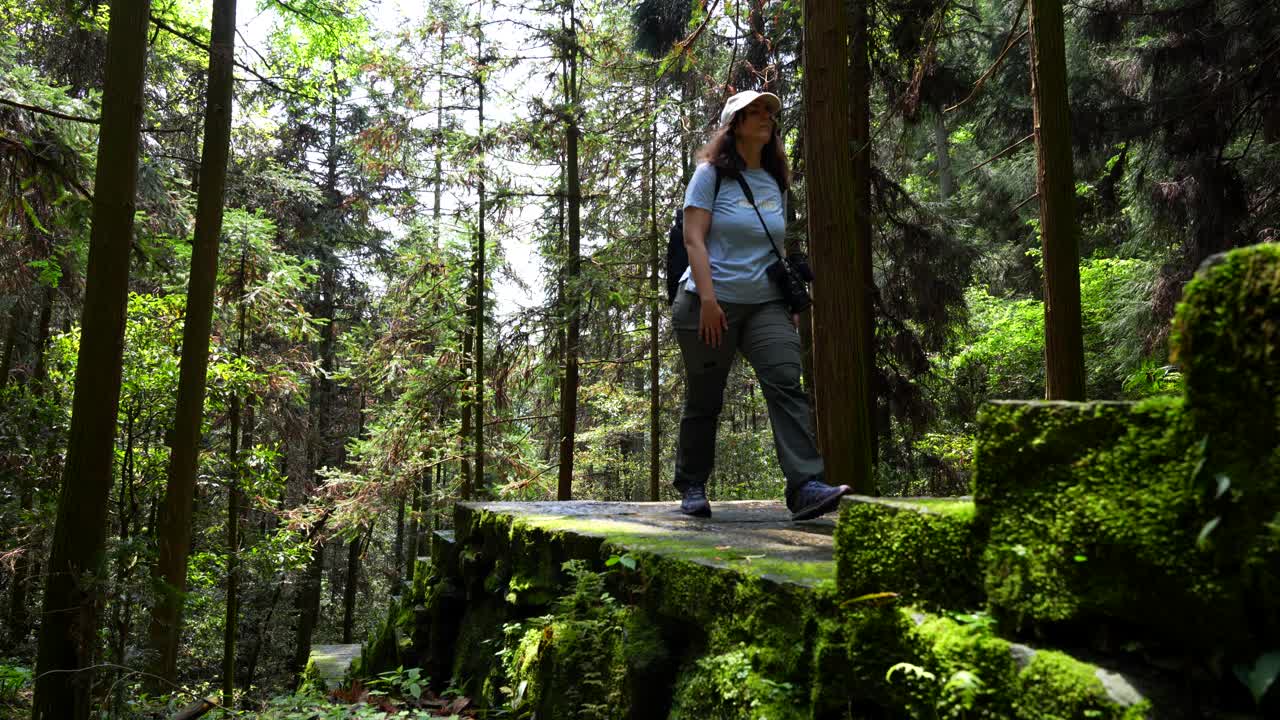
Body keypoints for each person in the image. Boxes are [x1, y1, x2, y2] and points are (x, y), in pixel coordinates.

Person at [672, 89, 851, 521]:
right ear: (735, 125)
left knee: (786, 381)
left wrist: (787, 296)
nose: (766, 119)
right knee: (705, 398)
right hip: (709, 303)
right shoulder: (710, 175)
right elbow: (692, 238)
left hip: (765, 304)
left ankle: (805, 485)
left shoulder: (774, 179)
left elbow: (777, 242)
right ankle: (692, 484)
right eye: (755, 113)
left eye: (768, 112)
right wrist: (710, 300)